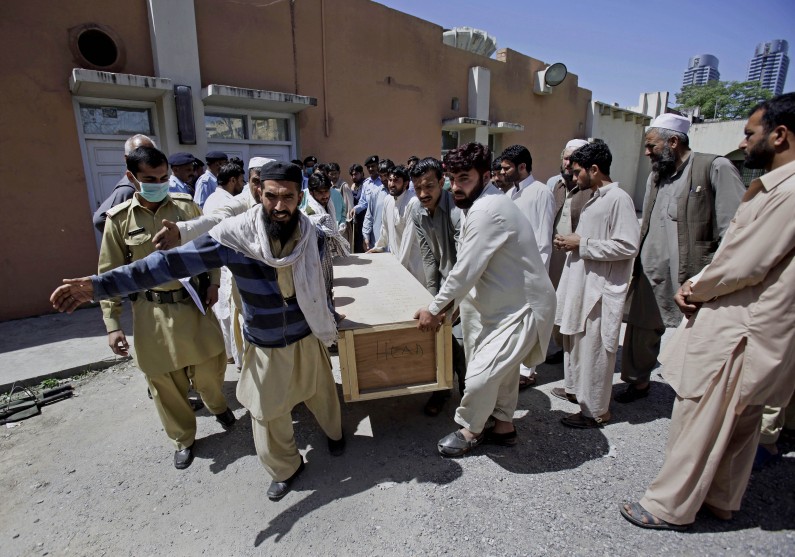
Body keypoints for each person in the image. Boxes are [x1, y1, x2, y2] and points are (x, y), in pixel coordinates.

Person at [52, 160, 345, 501]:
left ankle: (336, 434)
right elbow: (165, 264)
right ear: (258, 193)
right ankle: (286, 468)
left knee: (322, 394)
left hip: (306, 336)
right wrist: (99, 286)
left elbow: (323, 285)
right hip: (265, 345)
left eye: (288, 197)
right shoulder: (236, 237)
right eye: (271, 196)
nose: (280, 206)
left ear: (300, 196)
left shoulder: (313, 236)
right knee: (268, 414)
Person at [621, 92, 795, 530]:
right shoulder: (661, 176)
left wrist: (698, 285)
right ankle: (721, 499)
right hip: (758, 325)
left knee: (700, 413)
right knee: (740, 420)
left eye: (750, 132)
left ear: (780, 134)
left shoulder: (777, 189)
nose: (744, 139)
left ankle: (668, 506)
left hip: (740, 324)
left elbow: (744, 257)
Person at [67, 146, 234, 470]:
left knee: (210, 369)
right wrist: (112, 324)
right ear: (132, 178)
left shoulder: (186, 207)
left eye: (162, 177)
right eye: (149, 179)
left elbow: (210, 243)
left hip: (193, 306)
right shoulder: (119, 221)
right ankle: (183, 438)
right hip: (151, 314)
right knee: (165, 384)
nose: (158, 183)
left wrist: (213, 282)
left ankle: (217, 404)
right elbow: (109, 274)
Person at [414, 142, 556, 457]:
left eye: (464, 177)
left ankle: (471, 429)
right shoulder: (480, 205)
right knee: (503, 374)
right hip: (498, 308)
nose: (456, 186)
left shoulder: (487, 210)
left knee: (479, 376)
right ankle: (504, 428)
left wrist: (434, 309)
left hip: (522, 309)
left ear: (486, 175)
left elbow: (464, 271)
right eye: (452, 178)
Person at [617, 113, 745, 403]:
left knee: (697, 337)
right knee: (641, 328)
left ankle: (700, 393)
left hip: (693, 271)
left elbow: (736, 227)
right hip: (651, 269)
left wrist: (715, 276)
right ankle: (639, 383)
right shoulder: (656, 176)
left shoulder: (714, 167)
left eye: (651, 145)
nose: (647, 152)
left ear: (673, 142)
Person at [552, 142, 640, 428]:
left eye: (578, 173)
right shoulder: (595, 197)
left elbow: (627, 246)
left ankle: (597, 412)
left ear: (594, 169)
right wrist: (571, 243)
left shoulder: (619, 199)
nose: (574, 178)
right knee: (577, 346)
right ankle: (579, 394)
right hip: (581, 284)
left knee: (596, 351)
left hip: (600, 290)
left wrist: (583, 243)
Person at [410, 157, 466, 416]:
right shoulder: (416, 211)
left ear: (442, 182)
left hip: (470, 286)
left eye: (429, 186)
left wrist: (446, 304)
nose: (423, 193)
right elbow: (429, 257)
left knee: (464, 346)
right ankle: (442, 391)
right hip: (445, 285)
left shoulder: (458, 210)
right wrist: (433, 300)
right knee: (438, 338)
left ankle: (470, 402)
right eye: (417, 187)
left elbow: (465, 263)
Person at [500, 144, 556, 390]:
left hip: (531, 272)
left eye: (507, 168)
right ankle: (514, 365)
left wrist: (537, 277)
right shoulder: (511, 193)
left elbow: (543, 240)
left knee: (531, 320)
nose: (502, 173)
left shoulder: (541, 192)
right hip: (511, 270)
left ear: (522, 166)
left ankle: (528, 371)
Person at [546, 139, 593, 365]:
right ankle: (561, 347)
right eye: (566, 157)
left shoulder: (591, 188)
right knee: (556, 301)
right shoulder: (553, 184)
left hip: (579, 255)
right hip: (554, 255)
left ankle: (575, 354)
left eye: (574, 159)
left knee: (575, 304)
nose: (568, 162)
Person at [203, 163, 246, 365]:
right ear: (232, 181)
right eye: (241, 180)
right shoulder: (231, 203)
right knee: (235, 315)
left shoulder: (211, 199)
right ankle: (240, 359)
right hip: (230, 266)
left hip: (218, 266)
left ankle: (230, 355)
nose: (243, 184)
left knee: (225, 315)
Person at [367, 165, 424, 283]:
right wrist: (379, 247)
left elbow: (408, 239)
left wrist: (399, 269)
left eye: (396, 180)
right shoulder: (388, 200)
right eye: (390, 180)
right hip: (396, 261)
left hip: (413, 263)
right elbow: (385, 229)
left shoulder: (413, 203)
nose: (391, 184)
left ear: (406, 183)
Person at [92, 134, 157, 233]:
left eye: (151, 153)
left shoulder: (155, 181)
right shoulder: (129, 188)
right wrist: (133, 234)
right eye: (140, 153)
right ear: (127, 159)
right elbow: (100, 220)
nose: (147, 157)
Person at [349, 155, 382, 247]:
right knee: (370, 246)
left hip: (382, 218)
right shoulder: (366, 183)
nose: (371, 169)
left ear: (378, 166)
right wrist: (356, 208)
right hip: (369, 219)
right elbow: (363, 202)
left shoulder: (384, 181)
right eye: (368, 167)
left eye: (373, 166)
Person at [362, 159, 393, 251]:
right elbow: (369, 215)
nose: (383, 179)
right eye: (381, 176)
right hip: (378, 242)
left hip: (395, 245)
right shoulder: (376, 193)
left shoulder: (400, 193)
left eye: (386, 175)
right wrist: (366, 235)